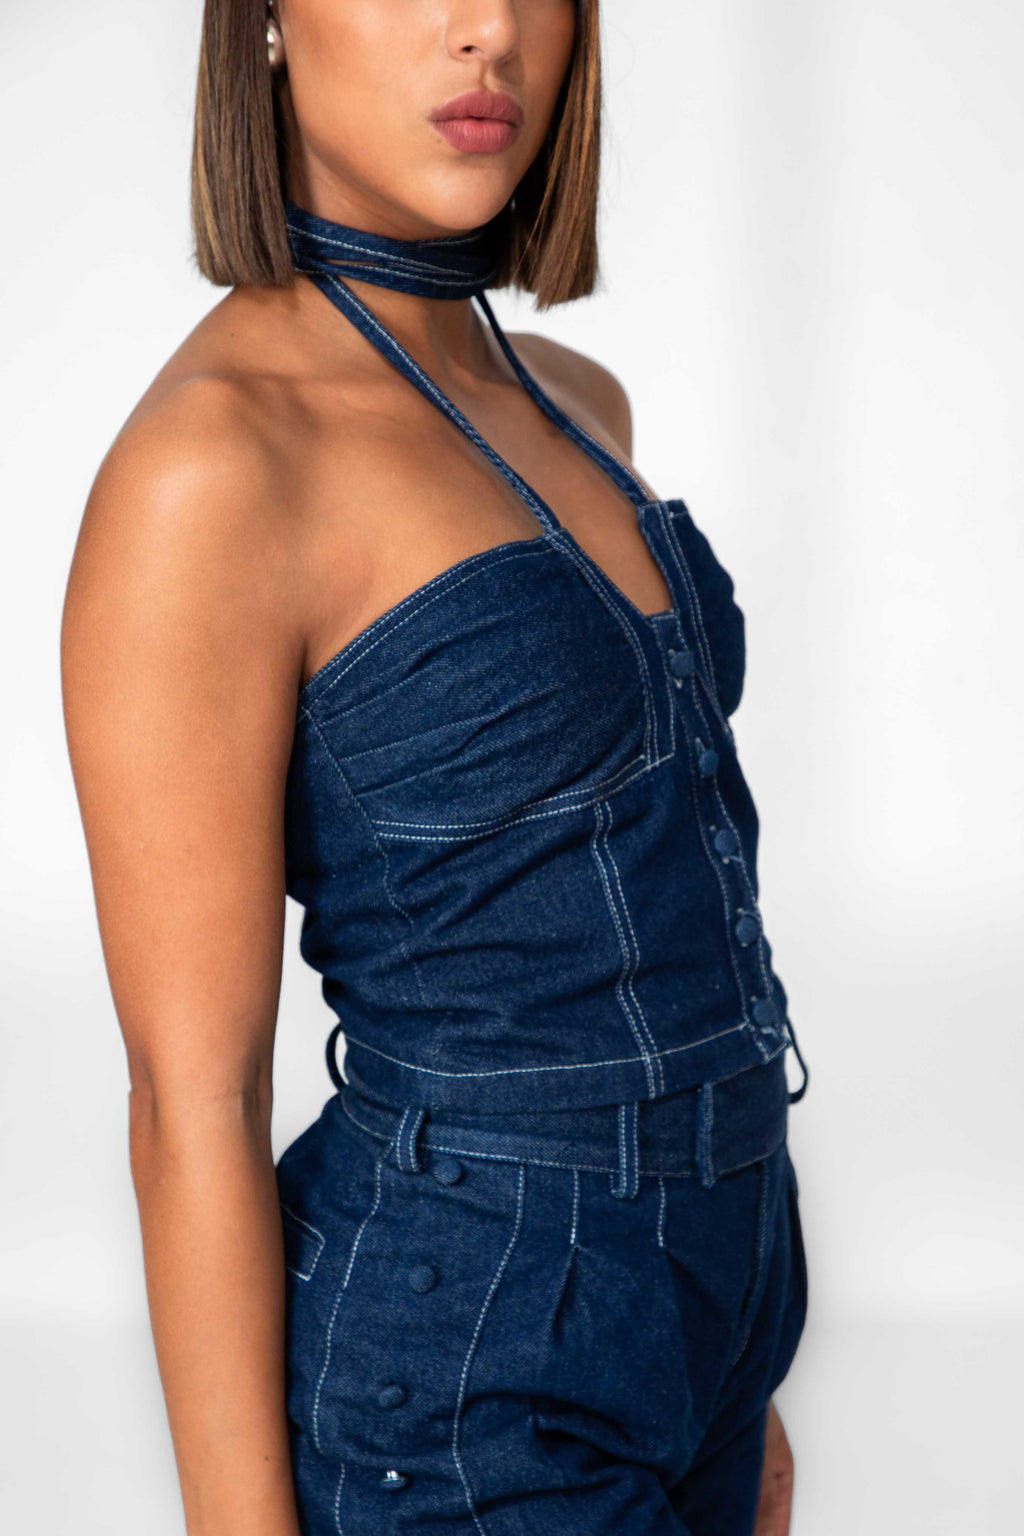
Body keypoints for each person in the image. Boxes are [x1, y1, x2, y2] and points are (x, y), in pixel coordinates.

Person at [61, 2, 810, 1533]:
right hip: (469, 1346)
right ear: (265, 23)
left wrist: (729, 1359)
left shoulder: (571, 403)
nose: (485, 32)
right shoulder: (213, 470)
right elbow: (186, 1099)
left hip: (716, 1301)